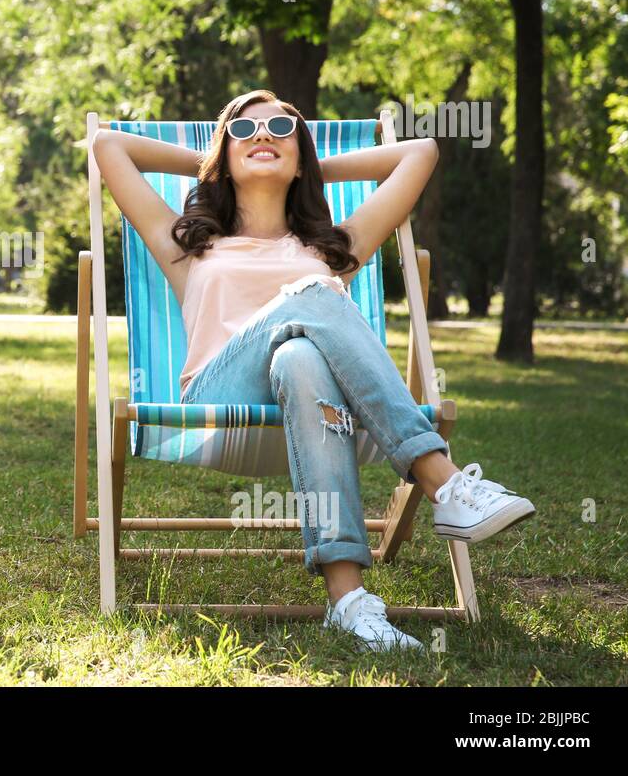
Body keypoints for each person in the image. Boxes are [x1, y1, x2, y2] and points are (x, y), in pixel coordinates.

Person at [91, 90, 535, 651]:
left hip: (312, 404)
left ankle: (349, 602)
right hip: (217, 400)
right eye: (246, 130)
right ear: (222, 153)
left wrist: (306, 157)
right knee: (314, 291)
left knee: (300, 354)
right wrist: (220, 154)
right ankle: (440, 479)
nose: (264, 136)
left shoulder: (332, 247)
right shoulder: (188, 245)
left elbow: (419, 152)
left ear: (300, 156)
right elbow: (107, 145)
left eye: (280, 127)